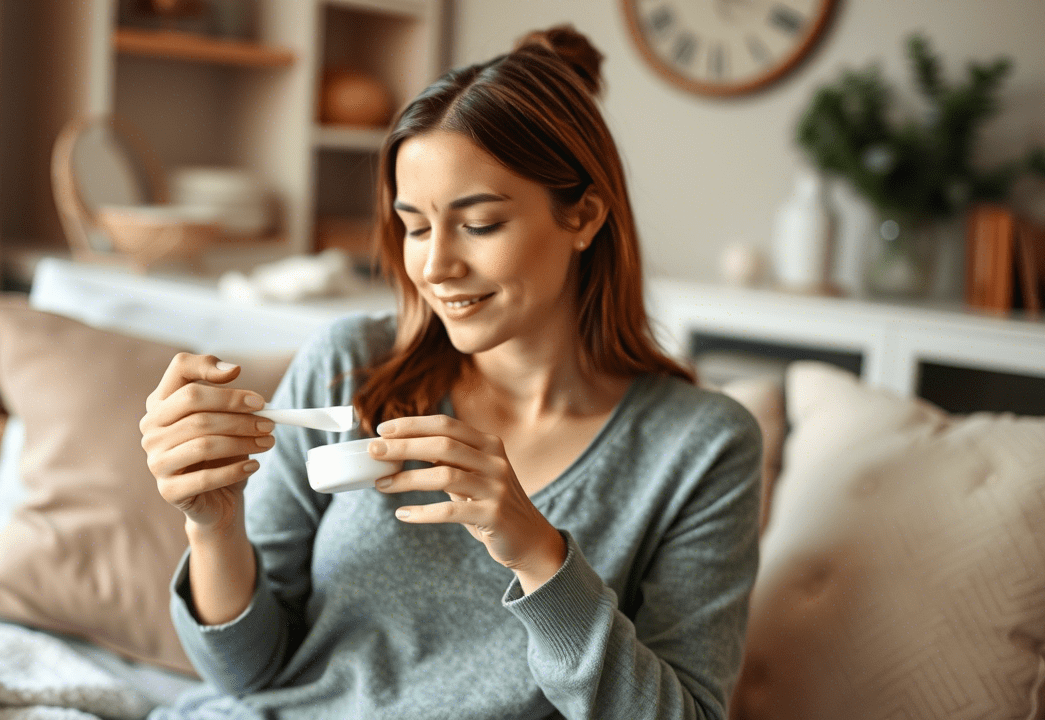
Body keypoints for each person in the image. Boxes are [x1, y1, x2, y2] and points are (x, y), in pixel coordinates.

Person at [139, 24, 762, 720]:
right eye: (415, 226)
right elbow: (243, 675)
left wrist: (540, 556)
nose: (435, 267)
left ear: (584, 216)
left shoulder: (701, 447)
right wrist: (215, 528)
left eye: (480, 224)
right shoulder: (350, 366)